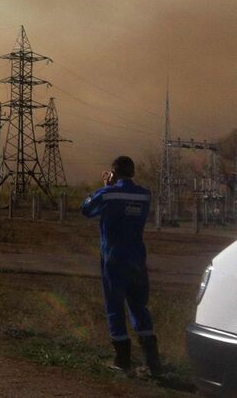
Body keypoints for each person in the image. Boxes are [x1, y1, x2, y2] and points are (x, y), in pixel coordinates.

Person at [80, 156, 162, 377]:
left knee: (114, 308)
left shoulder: (108, 194)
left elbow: (86, 210)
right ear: (133, 172)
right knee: (139, 308)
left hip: (114, 259)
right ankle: (152, 364)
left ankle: (122, 362)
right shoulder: (145, 195)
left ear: (114, 173)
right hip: (137, 258)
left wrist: (104, 188)